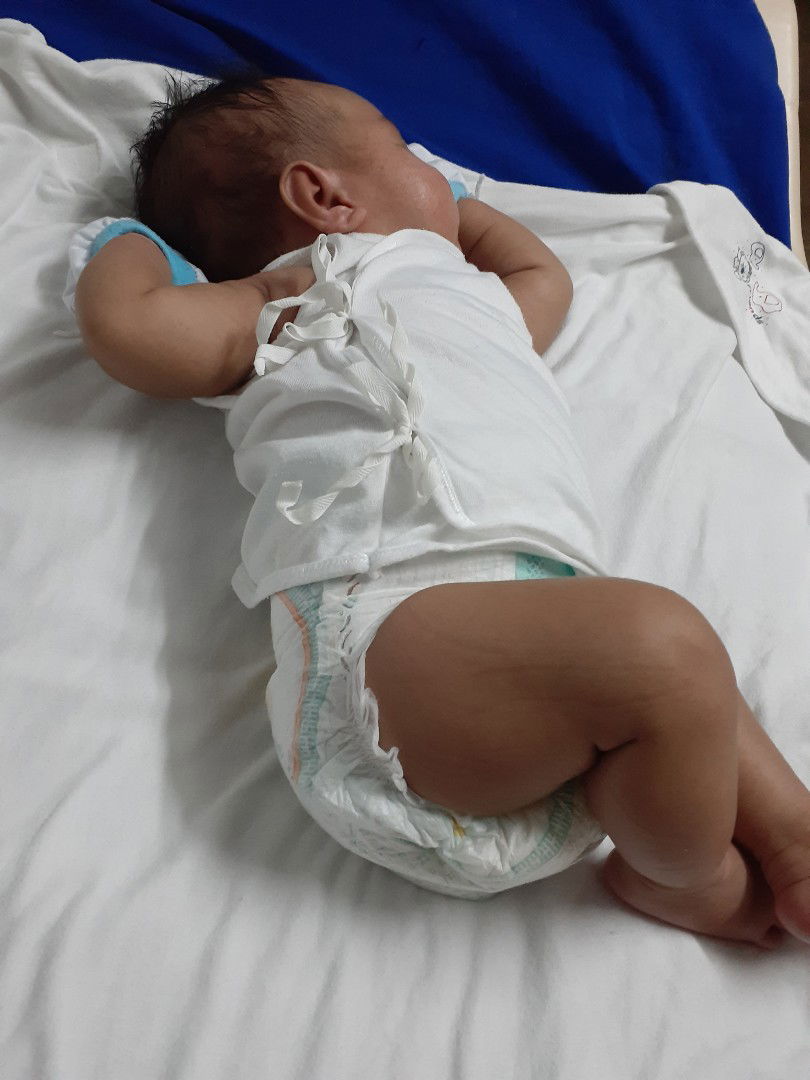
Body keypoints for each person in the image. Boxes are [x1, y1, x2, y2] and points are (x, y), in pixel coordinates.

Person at [72, 70, 810, 949]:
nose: (436, 166)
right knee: (667, 653)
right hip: (387, 662)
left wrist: (451, 209)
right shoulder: (287, 301)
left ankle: (791, 834)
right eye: (403, 146)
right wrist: (125, 241)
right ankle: (688, 878)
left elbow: (542, 275)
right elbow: (133, 331)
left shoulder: (473, 300)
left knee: (692, 678)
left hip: (541, 677)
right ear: (323, 196)